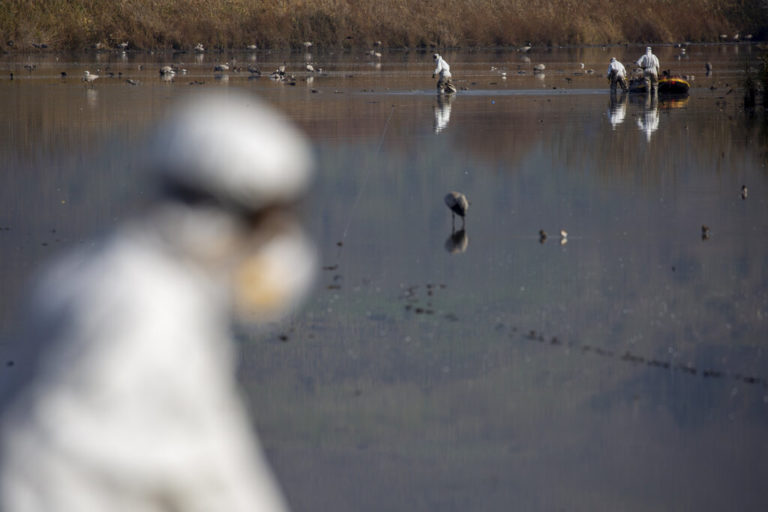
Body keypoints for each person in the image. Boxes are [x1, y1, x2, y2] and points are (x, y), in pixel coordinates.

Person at [0, 91, 317, 512]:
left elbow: (208, 470)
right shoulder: (142, 312)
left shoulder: (111, 278)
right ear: (231, 212)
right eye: (276, 220)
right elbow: (38, 468)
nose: (283, 243)